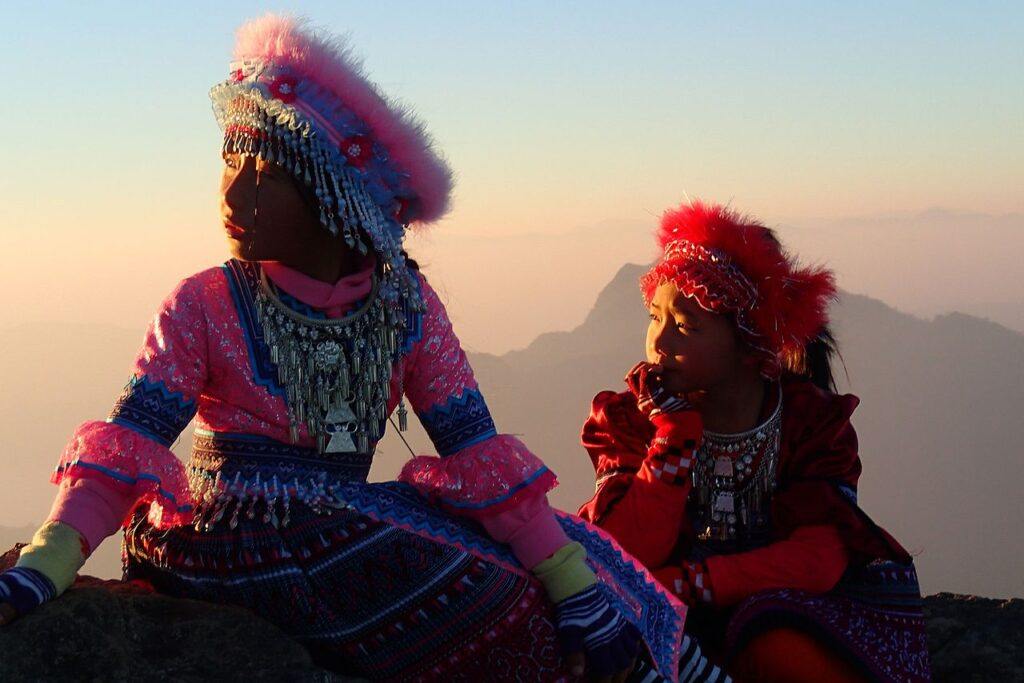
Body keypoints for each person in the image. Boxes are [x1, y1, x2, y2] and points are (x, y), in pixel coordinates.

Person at [0, 16, 686, 682]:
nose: (234, 191)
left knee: (592, 552)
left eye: (267, 173)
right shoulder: (206, 302)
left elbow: (473, 448)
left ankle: (674, 665)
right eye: (230, 160)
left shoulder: (404, 308)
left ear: (340, 200)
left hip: (340, 526)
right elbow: (127, 444)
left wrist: (572, 583)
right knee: (485, 591)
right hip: (223, 539)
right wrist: (47, 561)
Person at [578, 201, 931, 682]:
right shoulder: (635, 419)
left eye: (684, 326)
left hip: (779, 607)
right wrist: (673, 441)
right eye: (653, 318)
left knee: (776, 648)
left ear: (750, 343)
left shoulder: (809, 422)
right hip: (672, 613)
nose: (658, 343)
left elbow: (820, 556)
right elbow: (624, 553)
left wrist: (691, 582)